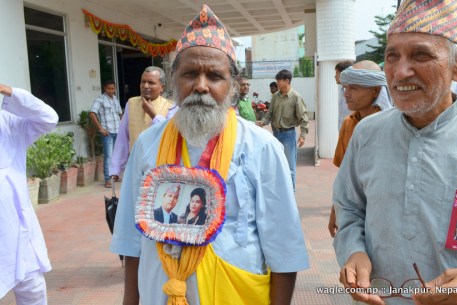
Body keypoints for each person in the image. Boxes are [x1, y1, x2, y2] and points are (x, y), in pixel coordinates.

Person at [110, 5, 309, 305]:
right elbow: (129, 234)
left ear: (231, 85)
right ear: (174, 79)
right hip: (159, 294)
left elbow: (283, 247)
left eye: (214, 76)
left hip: (234, 293)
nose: (201, 86)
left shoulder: (261, 147)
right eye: (190, 74)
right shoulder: (147, 145)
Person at [333, 1, 457, 304]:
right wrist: (353, 251)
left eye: (420, 55)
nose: (400, 72)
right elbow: (349, 209)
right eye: (391, 56)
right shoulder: (366, 134)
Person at [0, 84, 58, 305]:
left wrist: (11, 93)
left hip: (17, 228)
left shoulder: (9, 123)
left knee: (32, 288)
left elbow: (49, 118)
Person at [328, 60, 391, 238]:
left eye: (353, 89)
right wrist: (336, 209)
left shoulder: (393, 126)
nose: (346, 94)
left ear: (375, 91)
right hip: (354, 213)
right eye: (345, 88)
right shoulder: (349, 124)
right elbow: (344, 175)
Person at [109, 66, 176, 180]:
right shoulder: (131, 103)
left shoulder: (171, 107)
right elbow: (122, 139)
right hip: (135, 166)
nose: (145, 86)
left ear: (162, 88)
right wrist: (116, 168)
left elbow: (169, 135)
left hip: (160, 169)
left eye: (151, 83)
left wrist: (153, 115)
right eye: (143, 82)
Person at [257, 69, 309, 190]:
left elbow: (304, 117)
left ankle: (291, 194)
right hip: (276, 134)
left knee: (290, 168)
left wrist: (303, 135)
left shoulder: (296, 97)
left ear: (287, 81)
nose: (277, 83)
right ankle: (281, 194)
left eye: (279, 80)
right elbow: (270, 114)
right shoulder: (275, 97)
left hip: (288, 135)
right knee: (278, 166)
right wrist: (262, 122)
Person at [89, 80, 123, 188]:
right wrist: (100, 128)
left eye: (113, 89)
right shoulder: (100, 99)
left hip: (117, 131)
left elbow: (120, 114)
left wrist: (123, 127)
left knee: (116, 155)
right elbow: (92, 113)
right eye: (109, 88)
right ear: (104, 88)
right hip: (107, 132)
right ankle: (108, 179)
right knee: (108, 156)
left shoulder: (115, 99)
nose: (111, 91)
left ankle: (115, 175)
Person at [335, 60, 354, 130]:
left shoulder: (353, 91)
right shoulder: (342, 90)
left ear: (344, 73)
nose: (335, 76)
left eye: (337, 73)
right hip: (343, 130)